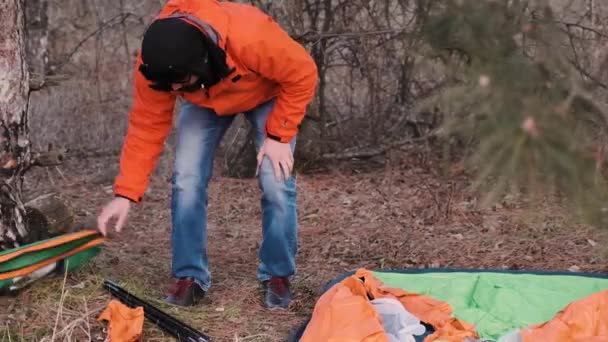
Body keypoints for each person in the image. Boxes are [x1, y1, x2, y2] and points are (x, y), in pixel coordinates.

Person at [96, 0, 318, 310]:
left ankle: (277, 275)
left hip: (267, 94)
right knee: (186, 178)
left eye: (179, 81)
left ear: (202, 58)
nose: (172, 88)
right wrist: (125, 194)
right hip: (204, 102)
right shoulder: (154, 63)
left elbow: (303, 72)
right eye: (167, 84)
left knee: (275, 179)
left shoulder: (250, 35)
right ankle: (189, 276)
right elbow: (146, 127)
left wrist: (278, 135)